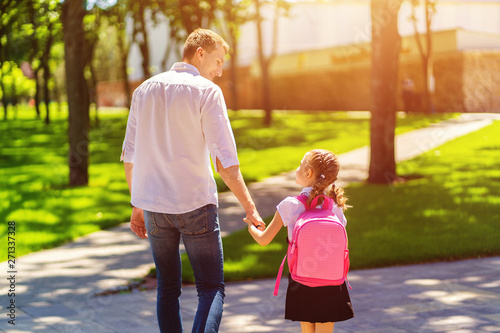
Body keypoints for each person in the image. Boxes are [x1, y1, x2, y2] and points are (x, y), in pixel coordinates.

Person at [120, 28, 265, 333]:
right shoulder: (207, 91)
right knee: (211, 287)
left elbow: (129, 156)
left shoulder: (143, 90)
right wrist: (250, 208)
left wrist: (138, 206)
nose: (220, 70)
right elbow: (224, 162)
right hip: (196, 205)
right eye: (218, 60)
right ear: (200, 53)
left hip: (155, 209)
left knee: (167, 289)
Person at [244, 149, 354, 333]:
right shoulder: (335, 207)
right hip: (332, 281)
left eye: (300, 165)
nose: (297, 169)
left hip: (302, 280)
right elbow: (344, 246)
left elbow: (263, 240)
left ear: (308, 173)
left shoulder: (290, 205)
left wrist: (251, 228)